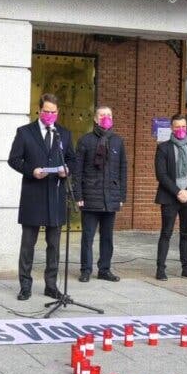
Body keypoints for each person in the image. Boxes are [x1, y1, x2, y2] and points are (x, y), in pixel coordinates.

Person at [8, 93, 77, 301]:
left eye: (53, 112)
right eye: (46, 111)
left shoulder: (63, 134)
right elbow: (14, 159)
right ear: (39, 110)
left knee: (54, 244)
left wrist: (67, 170)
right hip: (33, 194)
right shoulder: (25, 132)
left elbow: (72, 159)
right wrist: (32, 171)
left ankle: (51, 285)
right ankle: (25, 285)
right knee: (28, 244)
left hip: (55, 194)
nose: (49, 115)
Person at [72, 105, 127, 283]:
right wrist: (78, 195)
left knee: (107, 237)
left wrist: (121, 197)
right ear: (95, 119)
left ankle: (104, 269)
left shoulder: (118, 141)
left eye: (109, 115)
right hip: (90, 197)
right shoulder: (85, 141)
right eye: (102, 115)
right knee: (87, 237)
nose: (106, 118)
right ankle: (85, 270)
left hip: (110, 198)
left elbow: (122, 170)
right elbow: (77, 171)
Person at [154, 113, 187, 280]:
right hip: (170, 197)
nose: (181, 129)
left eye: (183, 127)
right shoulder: (163, 148)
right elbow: (161, 174)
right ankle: (160, 268)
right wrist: (177, 192)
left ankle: (186, 267)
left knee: (186, 233)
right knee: (166, 233)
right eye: (177, 127)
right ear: (171, 128)